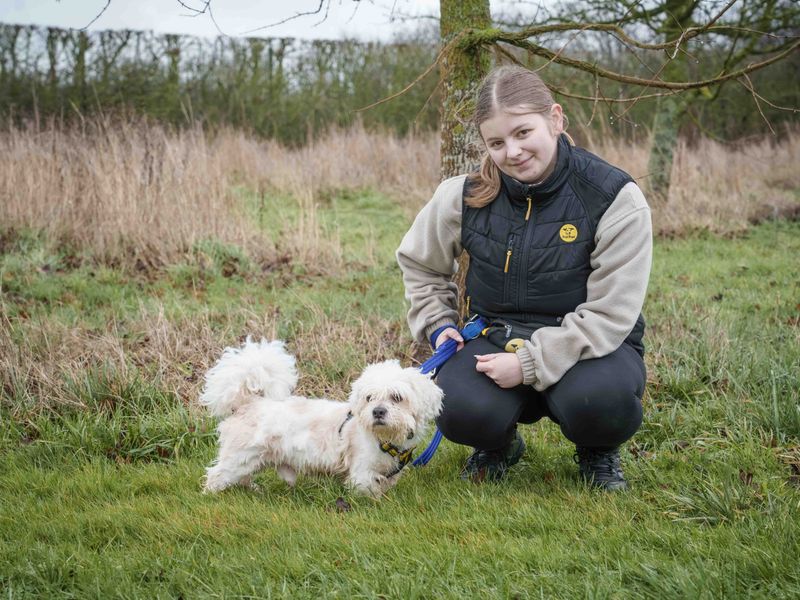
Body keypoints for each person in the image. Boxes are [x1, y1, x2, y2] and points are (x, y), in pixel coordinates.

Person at [396, 65, 652, 491]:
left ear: (555, 119)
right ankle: (497, 446)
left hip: (590, 347)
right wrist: (438, 325)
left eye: (523, 133)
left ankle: (598, 451)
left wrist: (530, 363)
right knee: (453, 404)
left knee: (599, 401)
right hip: (495, 337)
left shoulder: (614, 197)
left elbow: (610, 313)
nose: (512, 152)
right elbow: (420, 264)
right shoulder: (462, 195)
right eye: (496, 142)